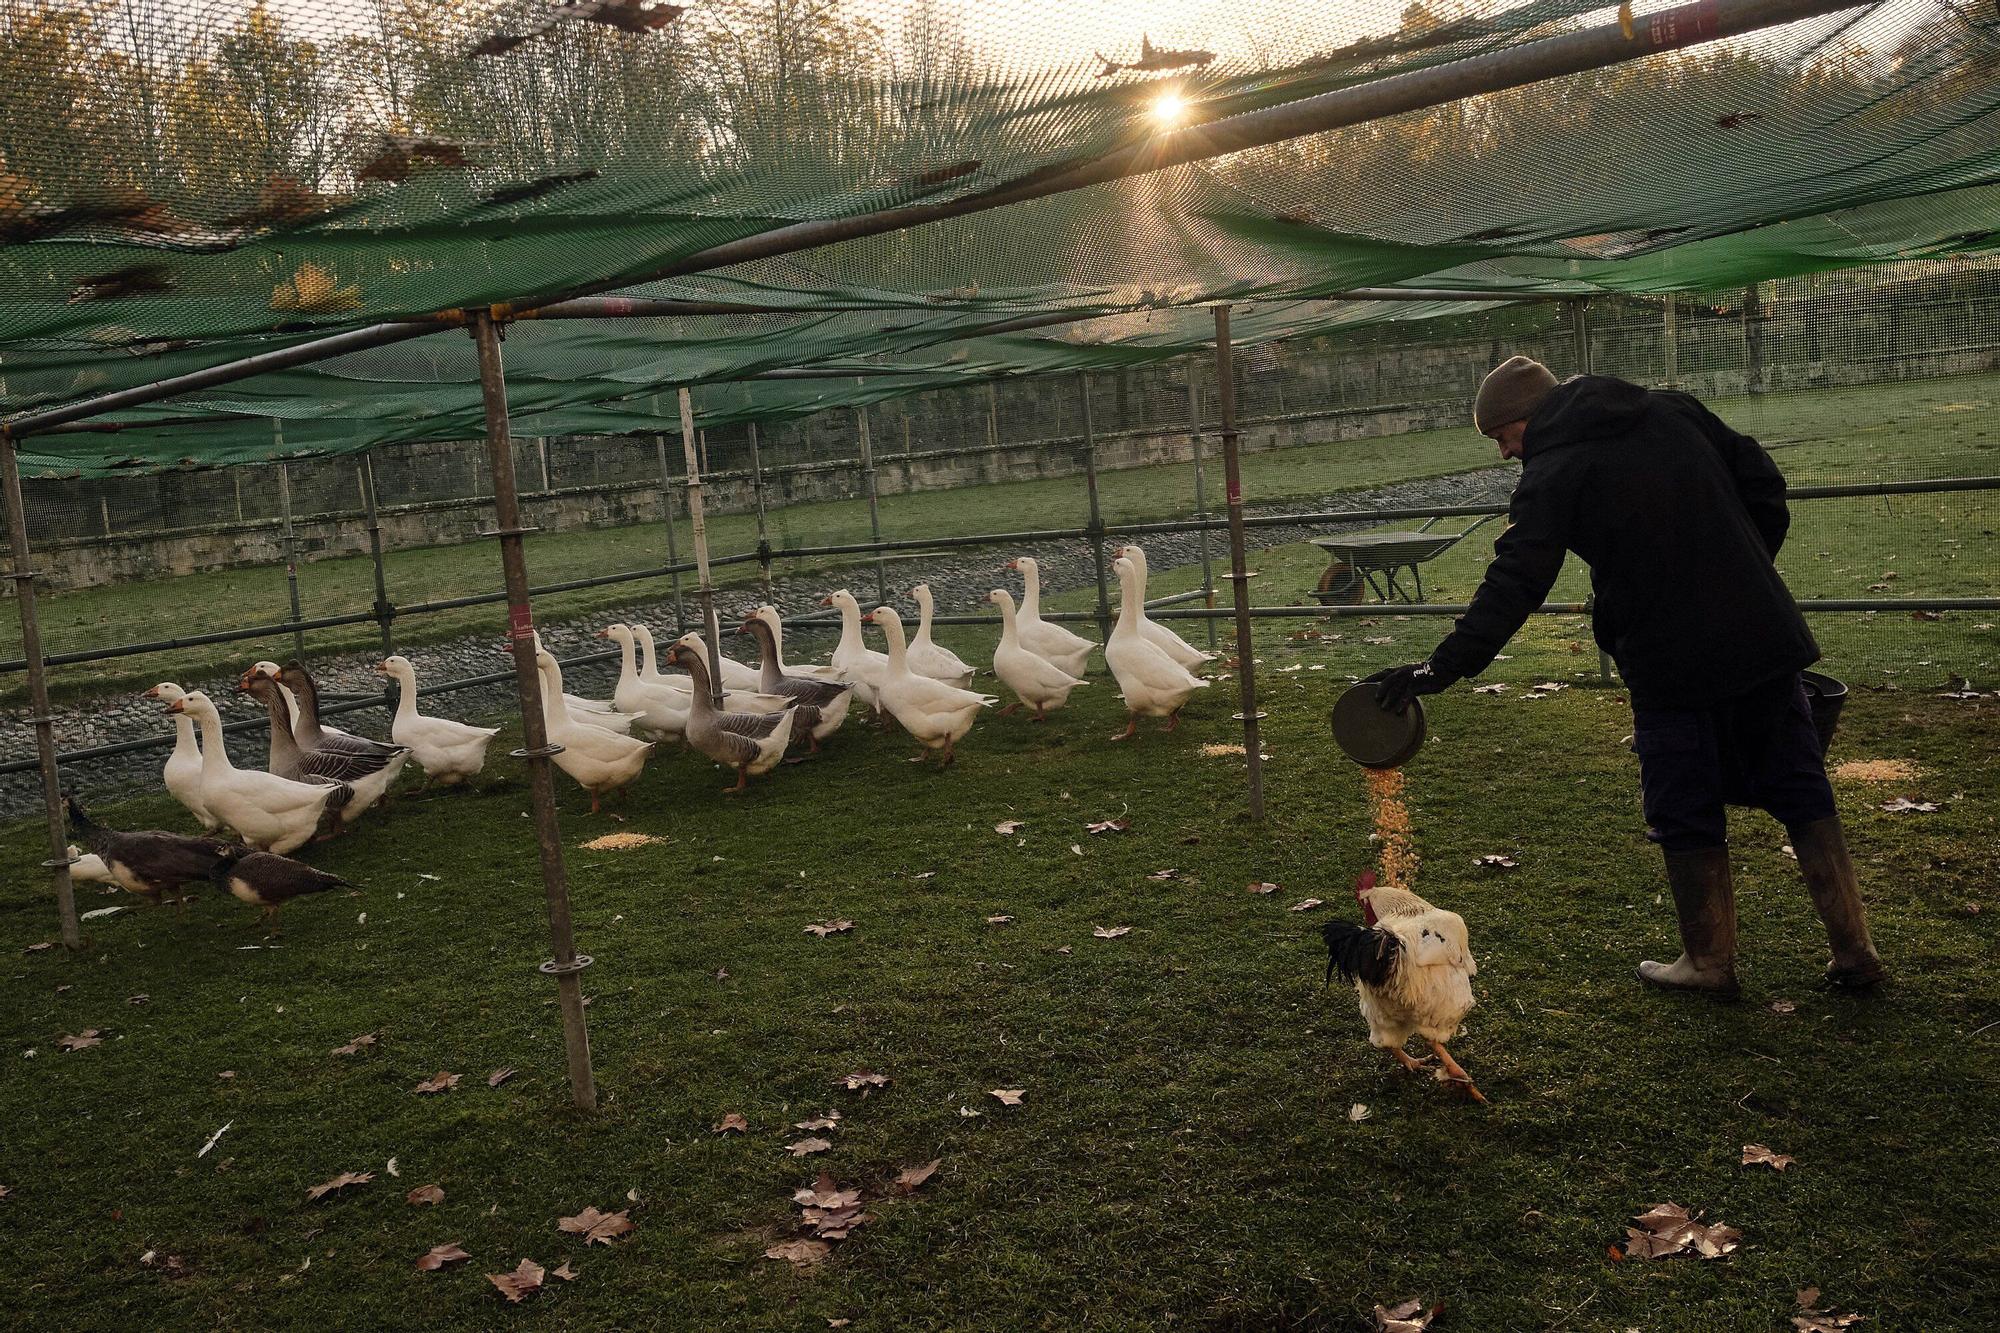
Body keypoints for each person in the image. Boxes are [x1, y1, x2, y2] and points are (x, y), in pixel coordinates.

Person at [1374, 356, 1885, 997]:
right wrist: (1735, 570)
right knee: (1801, 790)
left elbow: (1516, 581)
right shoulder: (1672, 410)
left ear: (1528, 421)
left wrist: (1441, 667)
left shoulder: (1554, 470)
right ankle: (1854, 950)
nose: (1506, 454)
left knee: (1683, 803)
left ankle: (1709, 962)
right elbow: (1763, 481)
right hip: (1760, 635)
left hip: (1670, 658)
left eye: (1504, 437)